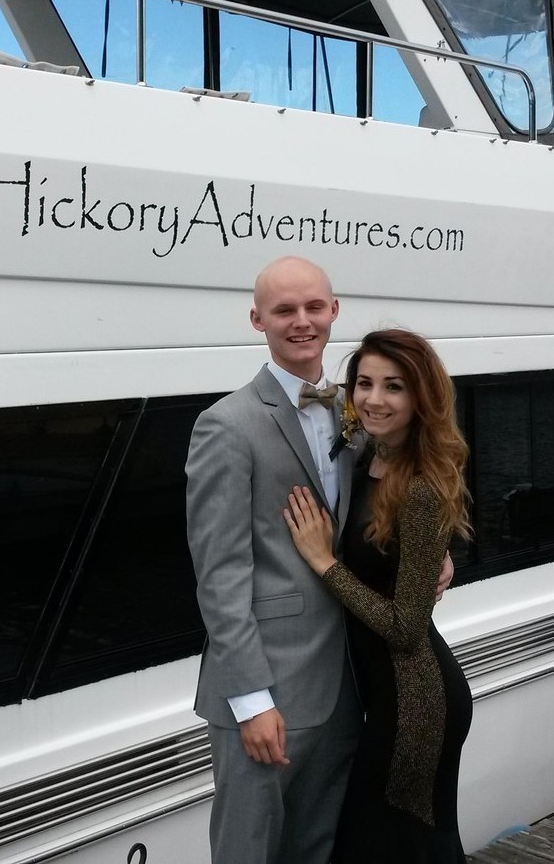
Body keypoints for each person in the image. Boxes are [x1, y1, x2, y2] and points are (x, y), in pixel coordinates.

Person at [186, 255, 359, 864]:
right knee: (248, 851)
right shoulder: (226, 425)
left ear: (334, 310)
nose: (302, 321)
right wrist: (251, 700)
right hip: (267, 694)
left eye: (313, 307)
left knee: (315, 848)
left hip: (344, 685)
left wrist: (440, 550)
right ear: (258, 319)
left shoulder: (355, 411)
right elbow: (220, 574)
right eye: (285, 310)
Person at [284, 328, 474, 863]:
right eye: (364, 383)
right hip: (384, 695)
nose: (373, 399)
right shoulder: (368, 456)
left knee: (408, 844)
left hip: (415, 703)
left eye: (394, 387)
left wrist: (325, 563)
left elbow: (406, 628)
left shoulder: (420, 485)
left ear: (421, 397)